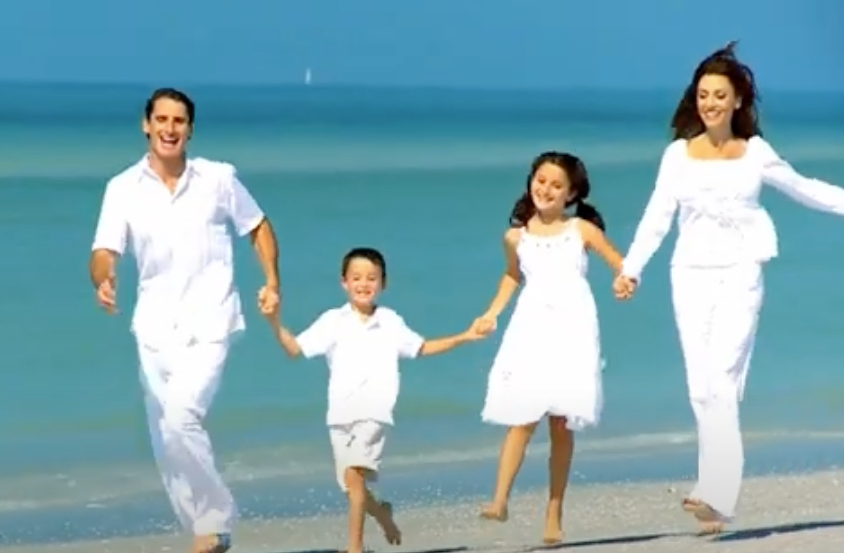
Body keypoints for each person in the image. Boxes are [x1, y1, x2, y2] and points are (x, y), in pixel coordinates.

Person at [613, 42, 844, 534]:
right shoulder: (677, 154)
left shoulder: (755, 153)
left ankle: (718, 492)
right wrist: (631, 268)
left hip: (741, 271)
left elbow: (804, 188)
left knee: (721, 377)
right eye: (703, 94)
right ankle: (712, 493)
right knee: (702, 388)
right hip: (689, 273)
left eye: (720, 94)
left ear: (738, 100)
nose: (710, 102)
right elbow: (658, 216)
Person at [89, 87, 280, 553]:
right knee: (165, 440)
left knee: (180, 418)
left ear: (190, 129)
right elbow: (103, 249)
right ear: (146, 124)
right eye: (161, 120)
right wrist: (104, 278)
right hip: (153, 328)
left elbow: (257, 226)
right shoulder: (122, 188)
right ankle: (205, 532)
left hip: (210, 321)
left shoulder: (218, 178)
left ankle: (214, 521)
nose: (169, 129)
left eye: (178, 121)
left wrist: (271, 281)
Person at [261, 247, 486, 553]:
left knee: (354, 476)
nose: (364, 284)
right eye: (356, 278)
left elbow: (421, 348)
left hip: (375, 412)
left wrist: (463, 336)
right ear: (344, 282)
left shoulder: (390, 321)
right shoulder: (332, 321)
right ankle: (382, 513)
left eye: (371, 278)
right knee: (352, 486)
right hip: (339, 415)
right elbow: (294, 349)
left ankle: (354, 548)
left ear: (383, 283)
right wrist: (274, 321)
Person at [471, 152, 628, 544]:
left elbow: (618, 261)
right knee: (521, 417)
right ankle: (499, 499)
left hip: (572, 331)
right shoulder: (516, 237)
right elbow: (512, 277)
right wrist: (490, 314)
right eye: (541, 181)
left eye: (557, 185)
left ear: (571, 193)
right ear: (531, 182)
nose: (546, 189)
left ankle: (554, 510)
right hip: (530, 329)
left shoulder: (581, 230)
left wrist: (624, 281)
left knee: (561, 422)